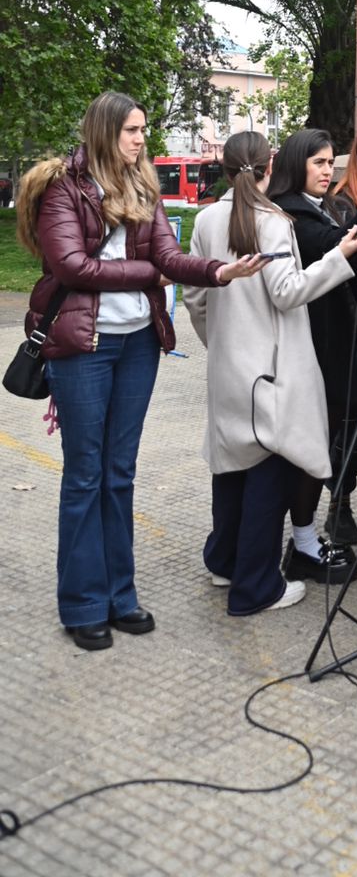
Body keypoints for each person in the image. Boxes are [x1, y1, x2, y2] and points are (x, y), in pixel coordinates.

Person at [17, 91, 266, 651]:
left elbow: (170, 259)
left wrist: (219, 271)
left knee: (119, 471)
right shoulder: (65, 187)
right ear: (106, 131)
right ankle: (82, 604)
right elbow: (71, 266)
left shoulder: (144, 186)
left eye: (143, 131)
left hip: (136, 346)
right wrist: (147, 274)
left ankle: (119, 596)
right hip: (83, 345)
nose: (140, 140)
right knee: (85, 473)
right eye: (132, 130)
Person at [185, 132, 357, 618]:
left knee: (230, 467)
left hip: (229, 367)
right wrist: (340, 257)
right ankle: (257, 587)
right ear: (269, 165)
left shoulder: (205, 218)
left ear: (224, 169)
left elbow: (196, 296)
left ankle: (224, 561)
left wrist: (219, 343)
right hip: (270, 370)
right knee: (268, 472)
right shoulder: (272, 221)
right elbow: (288, 291)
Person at [268, 129, 357, 577]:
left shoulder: (313, 209)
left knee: (319, 445)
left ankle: (303, 540)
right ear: (295, 166)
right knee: (309, 448)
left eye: (332, 163)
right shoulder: (291, 217)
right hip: (308, 350)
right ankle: (303, 545)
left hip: (323, 345)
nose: (329, 171)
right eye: (319, 163)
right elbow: (333, 246)